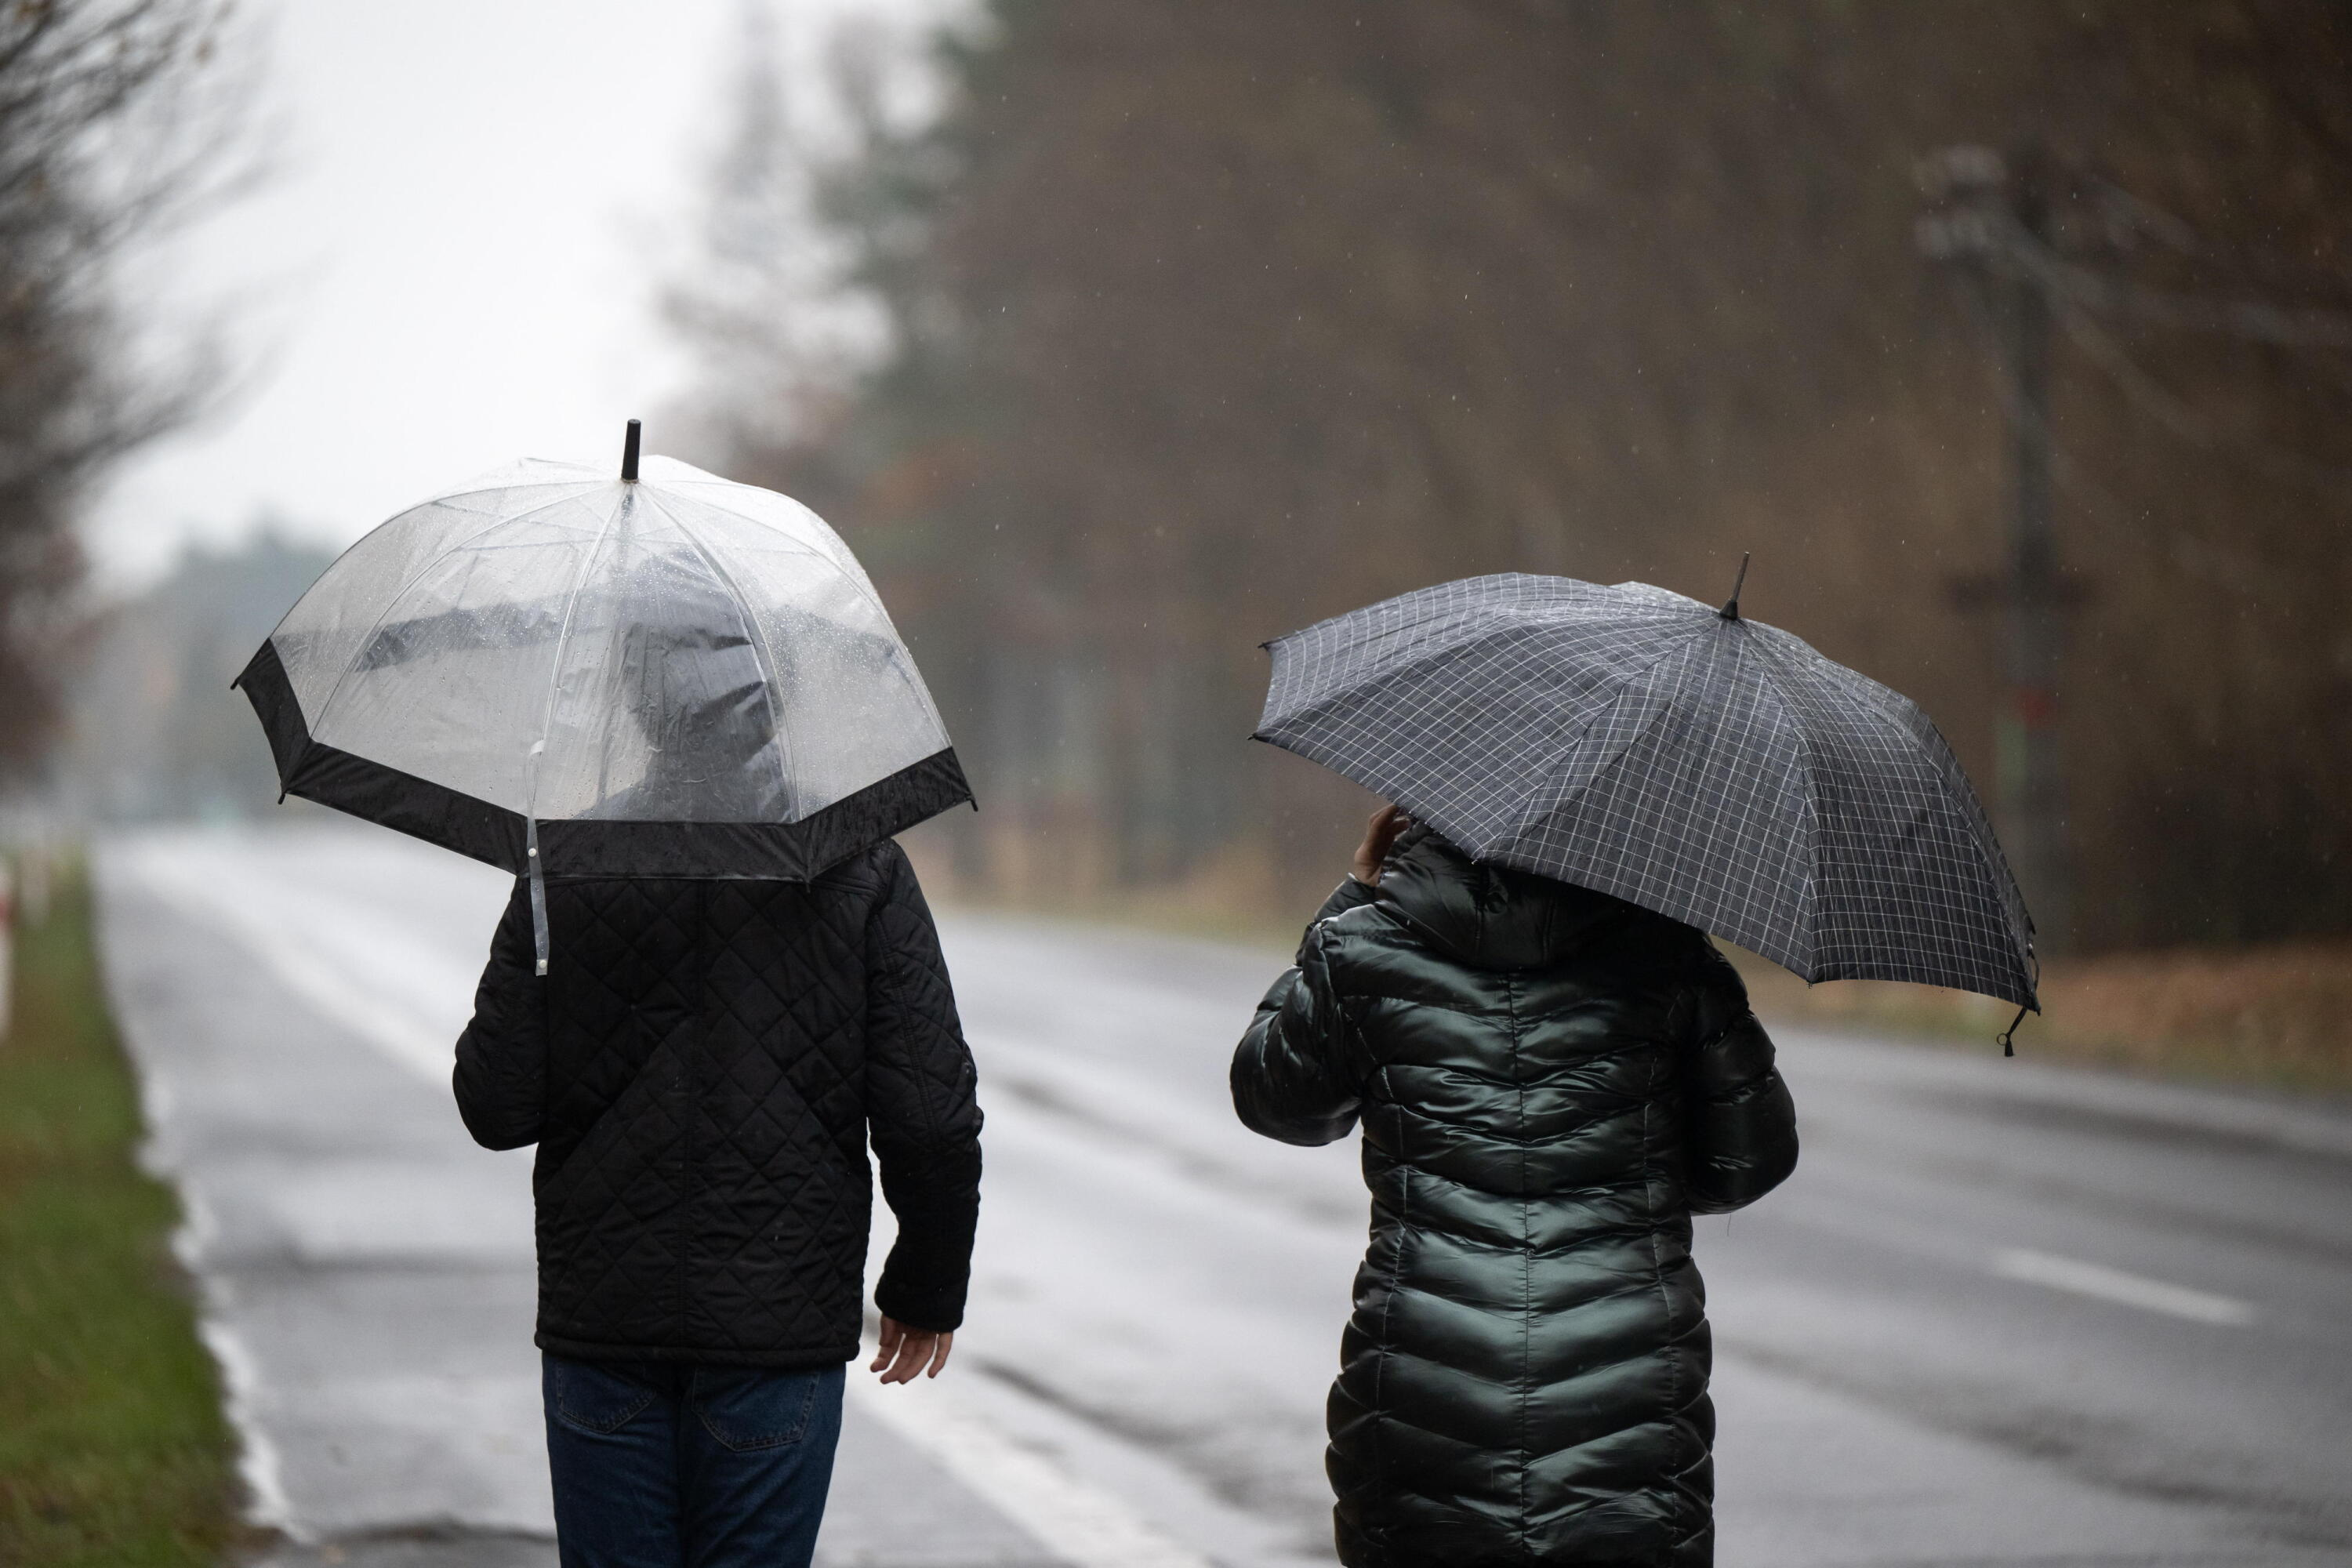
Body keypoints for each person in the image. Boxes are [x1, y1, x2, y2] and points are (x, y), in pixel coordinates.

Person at [1232, 804, 1798, 1568]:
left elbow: (1279, 1102)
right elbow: (1746, 1162)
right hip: (1626, 1405)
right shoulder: (1667, 955)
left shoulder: (1361, 945)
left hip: (1426, 1392)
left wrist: (1351, 897)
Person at [452, 827, 983, 1568]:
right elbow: (932, 1121)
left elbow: (495, 1106)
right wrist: (925, 1286)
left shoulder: (567, 856)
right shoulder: (860, 863)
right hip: (777, 1330)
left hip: (608, 1323)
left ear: (635, 715)